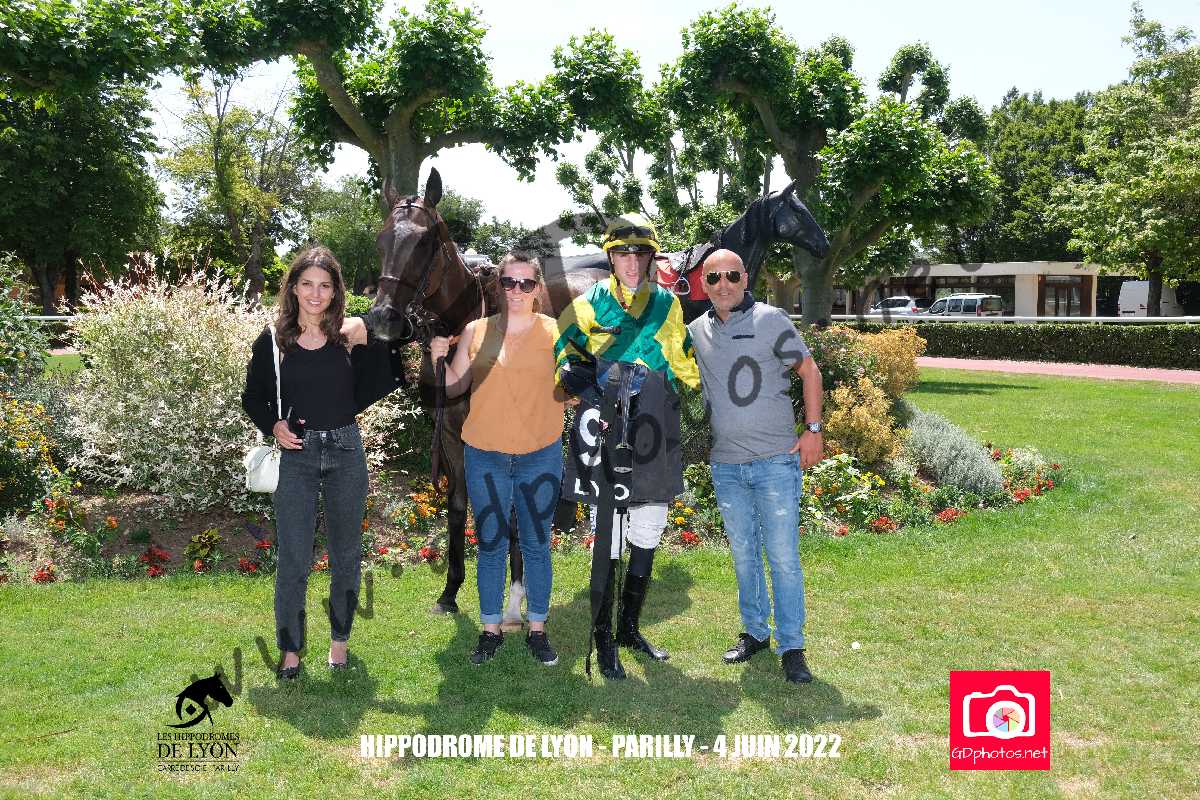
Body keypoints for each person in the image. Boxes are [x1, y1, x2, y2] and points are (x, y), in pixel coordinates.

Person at [241, 246, 403, 680]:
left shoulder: (349, 335)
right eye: (308, 284)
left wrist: (370, 328)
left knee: (346, 554)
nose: (316, 294)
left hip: (346, 451)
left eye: (325, 286)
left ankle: (339, 642)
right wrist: (273, 425)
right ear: (293, 288)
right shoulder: (273, 340)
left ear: (335, 292)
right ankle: (291, 650)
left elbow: (401, 335)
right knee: (294, 558)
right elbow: (252, 397)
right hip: (297, 455)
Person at [554, 212, 701, 680]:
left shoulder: (667, 304)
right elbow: (563, 351)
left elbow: (683, 364)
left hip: (653, 426)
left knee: (650, 526)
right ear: (611, 258)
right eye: (622, 254)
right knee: (609, 533)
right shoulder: (587, 303)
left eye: (640, 254)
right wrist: (570, 373)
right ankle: (602, 636)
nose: (632, 262)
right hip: (604, 427)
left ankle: (629, 628)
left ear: (651, 258)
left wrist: (693, 381)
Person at [687, 248, 823, 684]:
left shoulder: (771, 320)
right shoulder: (696, 331)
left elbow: (810, 371)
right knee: (744, 556)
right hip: (726, 466)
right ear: (703, 284)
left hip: (775, 462)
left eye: (731, 275)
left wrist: (813, 429)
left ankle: (792, 646)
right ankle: (755, 632)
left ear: (745, 278)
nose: (723, 284)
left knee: (782, 558)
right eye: (713, 278)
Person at [430, 254, 567, 667]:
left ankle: (538, 629)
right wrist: (439, 356)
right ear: (499, 286)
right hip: (485, 454)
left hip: (540, 454)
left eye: (526, 283)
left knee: (536, 544)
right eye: (509, 282)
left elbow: (571, 386)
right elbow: (453, 386)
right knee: (490, 544)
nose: (517, 291)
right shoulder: (477, 331)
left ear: (538, 288)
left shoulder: (556, 332)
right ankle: (490, 630)